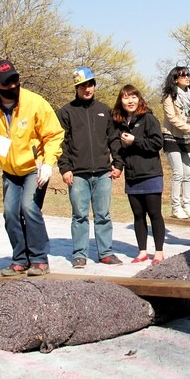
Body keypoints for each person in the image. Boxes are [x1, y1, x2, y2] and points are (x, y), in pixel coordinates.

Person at [0, 59, 64, 276]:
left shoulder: (35, 102)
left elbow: (54, 134)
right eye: (6, 83)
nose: (12, 86)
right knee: (10, 213)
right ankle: (20, 259)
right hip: (10, 171)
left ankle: (39, 259)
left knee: (29, 208)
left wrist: (49, 162)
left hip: (34, 168)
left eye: (15, 80)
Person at [57, 67, 124, 267]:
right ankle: (79, 254)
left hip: (103, 172)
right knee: (79, 215)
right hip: (77, 174)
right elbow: (61, 143)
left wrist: (118, 164)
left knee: (103, 215)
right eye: (83, 85)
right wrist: (65, 168)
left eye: (90, 84)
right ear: (76, 87)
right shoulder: (65, 112)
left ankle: (106, 253)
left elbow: (113, 139)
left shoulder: (104, 110)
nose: (88, 89)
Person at [111, 85, 166, 264]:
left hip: (150, 174)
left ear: (139, 99)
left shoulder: (148, 118)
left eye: (133, 97)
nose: (130, 101)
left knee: (154, 214)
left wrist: (136, 140)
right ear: (121, 101)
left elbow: (158, 143)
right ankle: (142, 252)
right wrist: (117, 165)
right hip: (132, 176)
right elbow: (117, 148)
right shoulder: (119, 122)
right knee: (138, 215)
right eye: (126, 97)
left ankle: (159, 253)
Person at [161, 66, 190, 219]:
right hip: (171, 137)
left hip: (185, 138)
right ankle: (175, 207)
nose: (187, 77)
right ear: (175, 79)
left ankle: (187, 205)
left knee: (188, 173)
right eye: (183, 75)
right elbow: (172, 119)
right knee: (178, 172)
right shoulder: (169, 97)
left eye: (188, 74)